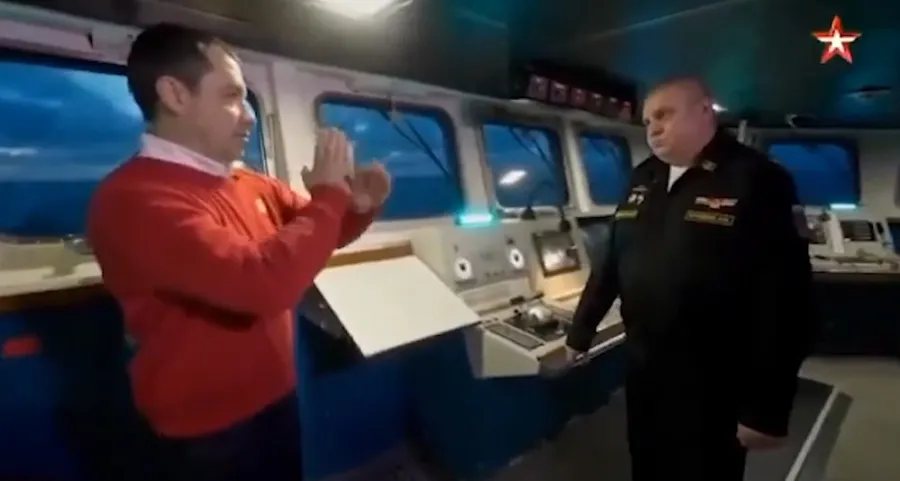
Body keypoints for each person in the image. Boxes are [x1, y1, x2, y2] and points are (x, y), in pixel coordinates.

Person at [87, 23, 391, 481]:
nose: (248, 116)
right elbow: (262, 285)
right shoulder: (133, 198)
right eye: (231, 96)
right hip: (205, 431)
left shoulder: (247, 180)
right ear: (174, 94)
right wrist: (329, 198)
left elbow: (308, 242)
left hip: (275, 397)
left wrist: (354, 208)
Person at [565, 77, 814, 481]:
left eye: (664, 115)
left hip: (717, 380)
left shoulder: (757, 178)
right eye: (648, 121)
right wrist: (580, 332)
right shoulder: (643, 176)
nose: (653, 129)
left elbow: (788, 299)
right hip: (646, 370)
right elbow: (611, 261)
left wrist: (767, 409)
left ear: (704, 111)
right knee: (648, 468)